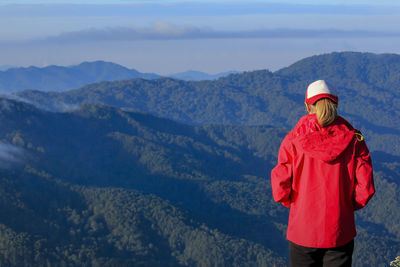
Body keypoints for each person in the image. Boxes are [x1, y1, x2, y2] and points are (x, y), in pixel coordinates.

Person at [270, 80, 375, 267]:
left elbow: (280, 188)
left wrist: (294, 203)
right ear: (336, 104)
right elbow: (365, 188)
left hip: (302, 230)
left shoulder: (292, 139)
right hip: (340, 229)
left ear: (306, 106)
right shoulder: (355, 138)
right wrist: (345, 207)